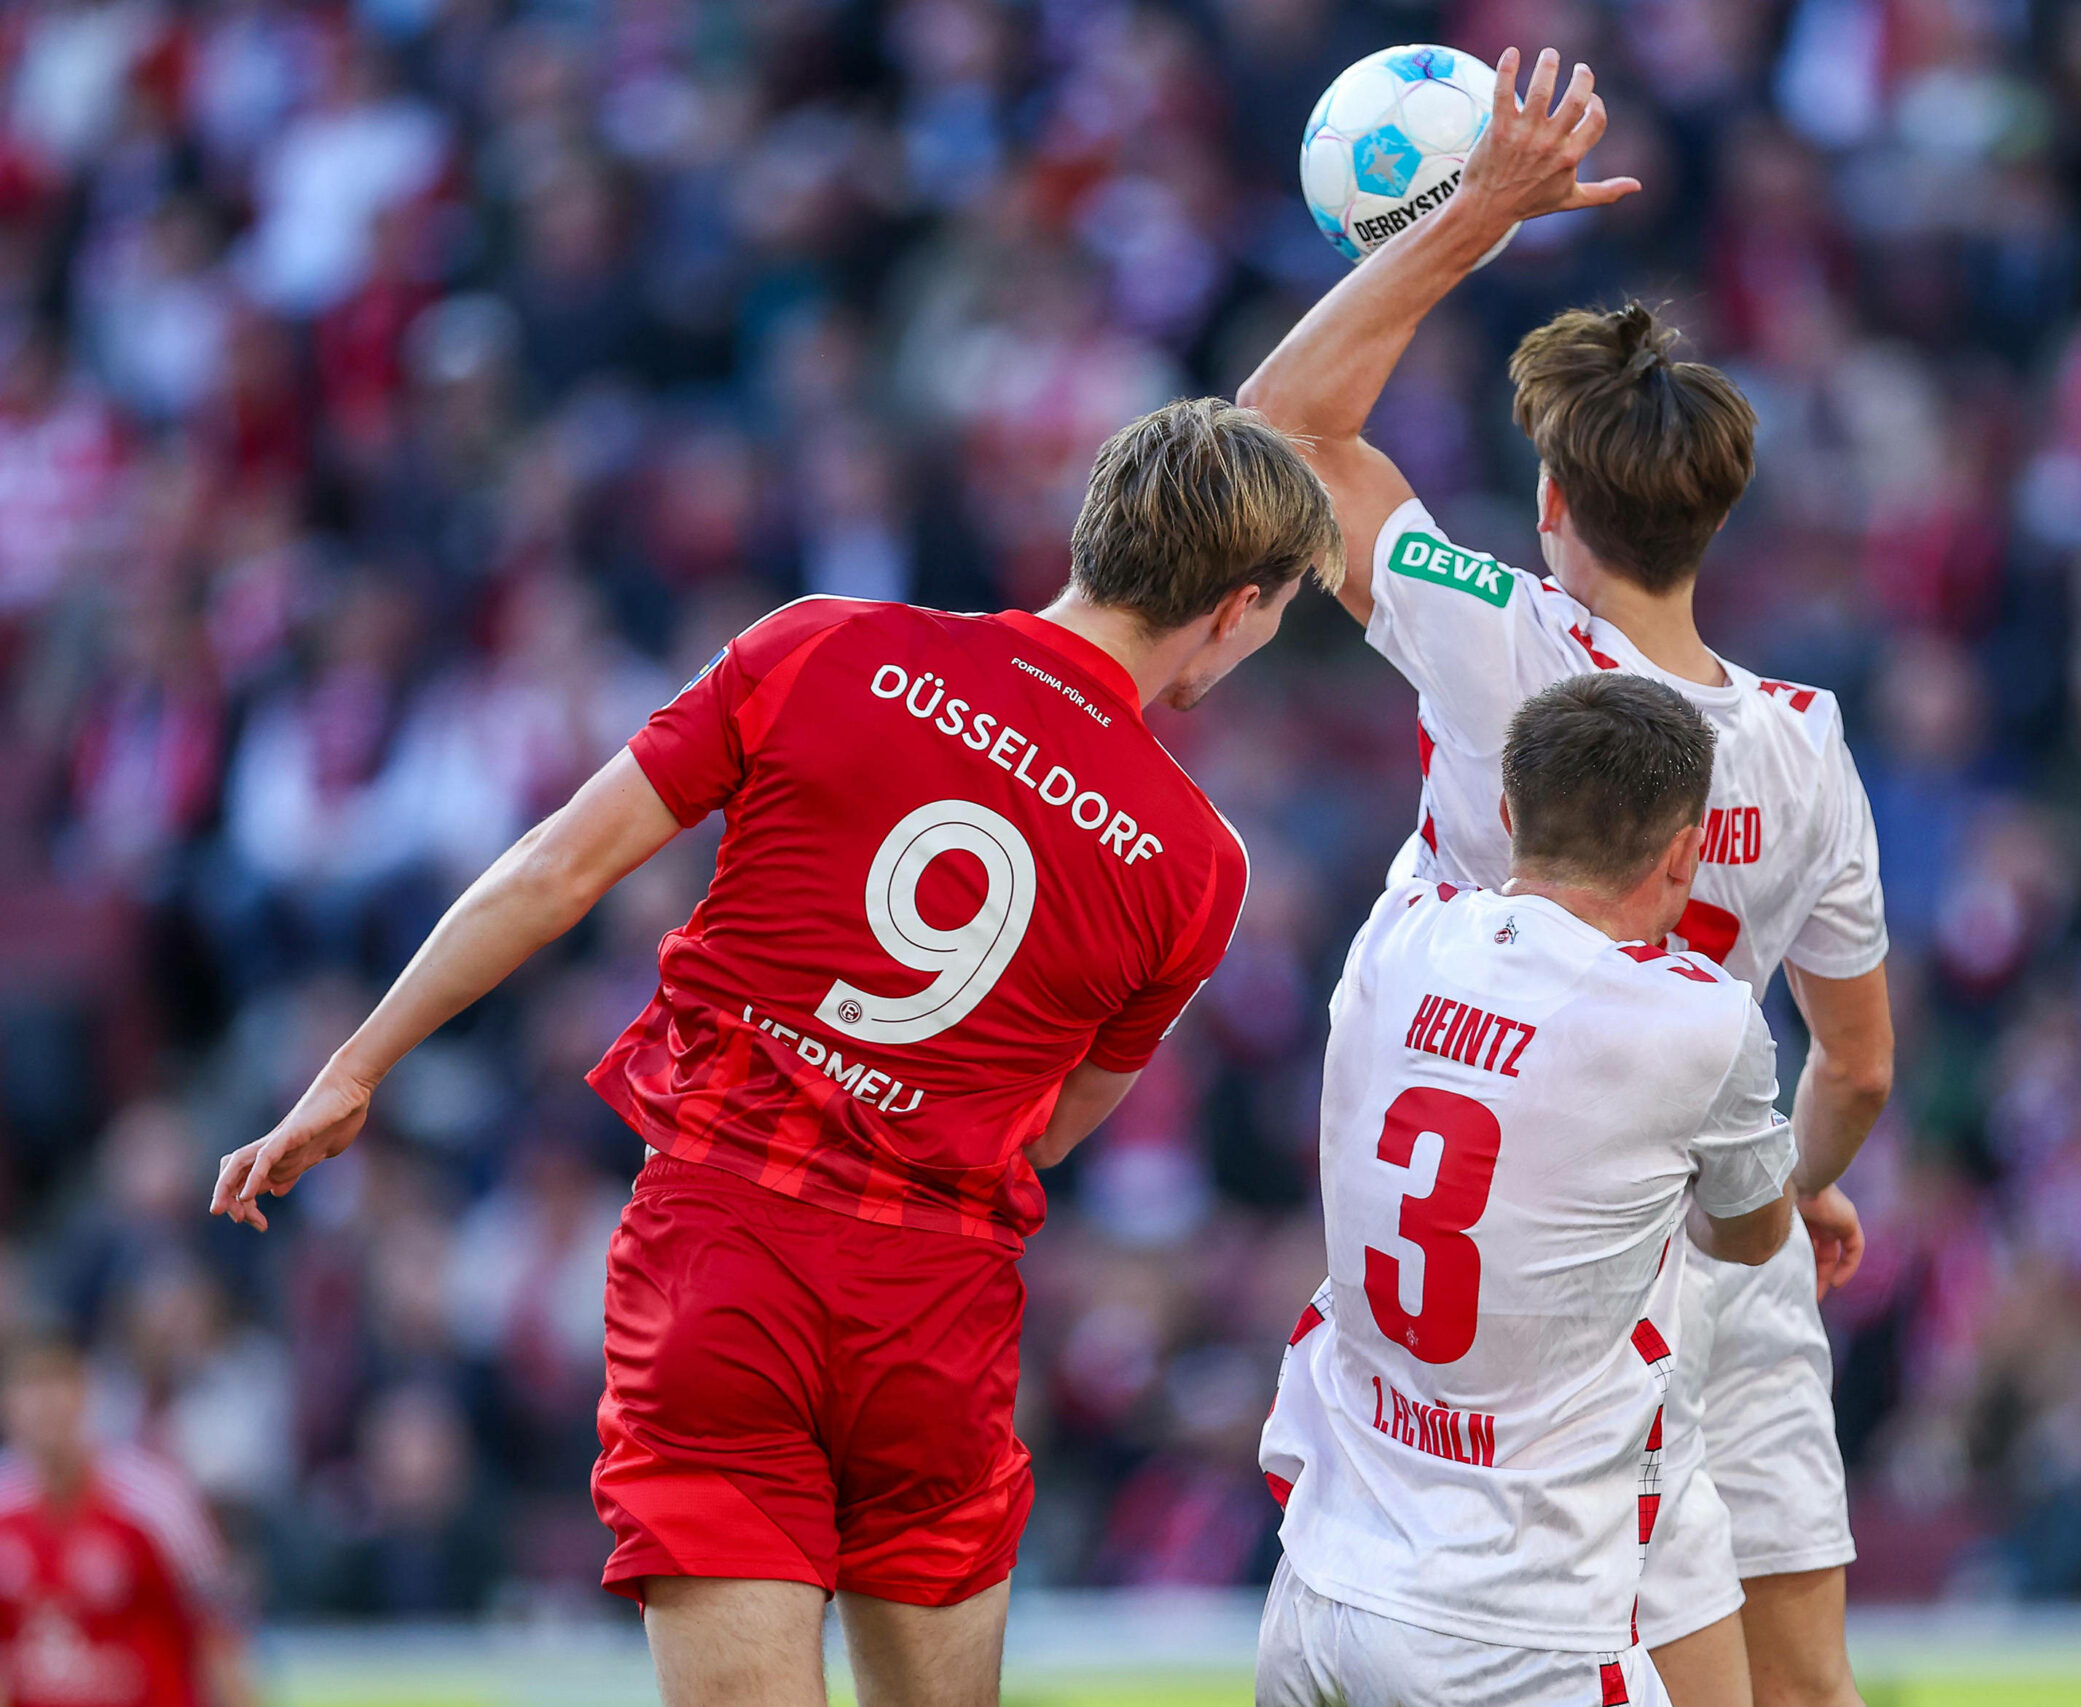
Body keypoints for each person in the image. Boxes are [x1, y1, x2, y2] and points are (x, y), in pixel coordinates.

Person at [208, 398, 1343, 1707]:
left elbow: (556, 865)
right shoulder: (1199, 864)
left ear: (1092, 532)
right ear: (1240, 605)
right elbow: (1057, 1119)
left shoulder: (823, 644)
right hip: (931, 1308)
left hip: (722, 1259)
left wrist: (357, 1063)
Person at [1240, 48, 1893, 1707]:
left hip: (1519, 1269)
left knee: (1471, 1629)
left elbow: (1276, 433)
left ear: (1549, 502)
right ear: (1719, 518)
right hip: (1704, 1240)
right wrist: (1774, 1184)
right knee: (1802, 1682)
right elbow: (1863, 1063)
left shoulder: (1507, 639)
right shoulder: (1811, 744)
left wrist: (1469, 219)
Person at [1258, 673, 1798, 1707]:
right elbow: (1748, 1234)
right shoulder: (1698, 1025)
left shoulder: (1393, 935)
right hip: (1514, 1632)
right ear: (1688, 849)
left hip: (1321, 1587)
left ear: (1510, 818)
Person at [0, 1342, 256, 1707]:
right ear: (8, 1405)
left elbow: (220, 1634)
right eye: (27, 1389)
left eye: (55, 1385)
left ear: (83, 1394)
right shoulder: (5, 1507)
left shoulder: (156, 1499)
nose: (44, 1406)